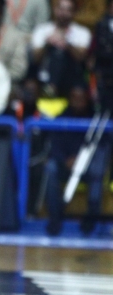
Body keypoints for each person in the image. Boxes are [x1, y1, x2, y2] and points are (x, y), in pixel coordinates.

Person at [44, 85, 111, 236]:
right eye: (74, 98)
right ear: (70, 99)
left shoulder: (96, 120)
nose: (78, 102)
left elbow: (102, 146)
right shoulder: (61, 117)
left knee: (97, 171)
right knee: (51, 167)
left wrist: (83, 161)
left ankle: (91, 220)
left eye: (81, 98)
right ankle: (55, 218)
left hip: (88, 166)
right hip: (66, 164)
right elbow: (54, 144)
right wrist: (65, 159)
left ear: (87, 99)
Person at [31, 0, 92, 97]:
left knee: (60, 52)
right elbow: (36, 59)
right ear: (54, 9)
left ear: (74, 13)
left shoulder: (82, 32)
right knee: (56, 52)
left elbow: (81, 58)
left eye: (68, 10)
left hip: (72, 75)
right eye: (61, 8)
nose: (63, 13)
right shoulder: (42, 30)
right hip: (44, 75)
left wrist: (67, 44)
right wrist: (48, 44)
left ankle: (52, 87)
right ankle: (52, 86)